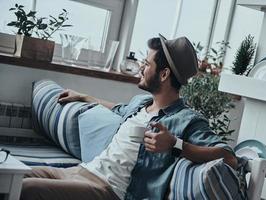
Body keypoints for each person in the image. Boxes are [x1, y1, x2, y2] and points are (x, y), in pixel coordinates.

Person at [20, 35, 237, 200]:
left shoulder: (187, 120)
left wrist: (175, 144)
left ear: (164, 74)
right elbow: (117, 108)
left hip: (107, 190)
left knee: (25, 189)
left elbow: (230, 157)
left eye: (147, 63)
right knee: (12, 176)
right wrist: (84, 96)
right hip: (82, 170)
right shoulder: (140, 103)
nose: (141, 68)